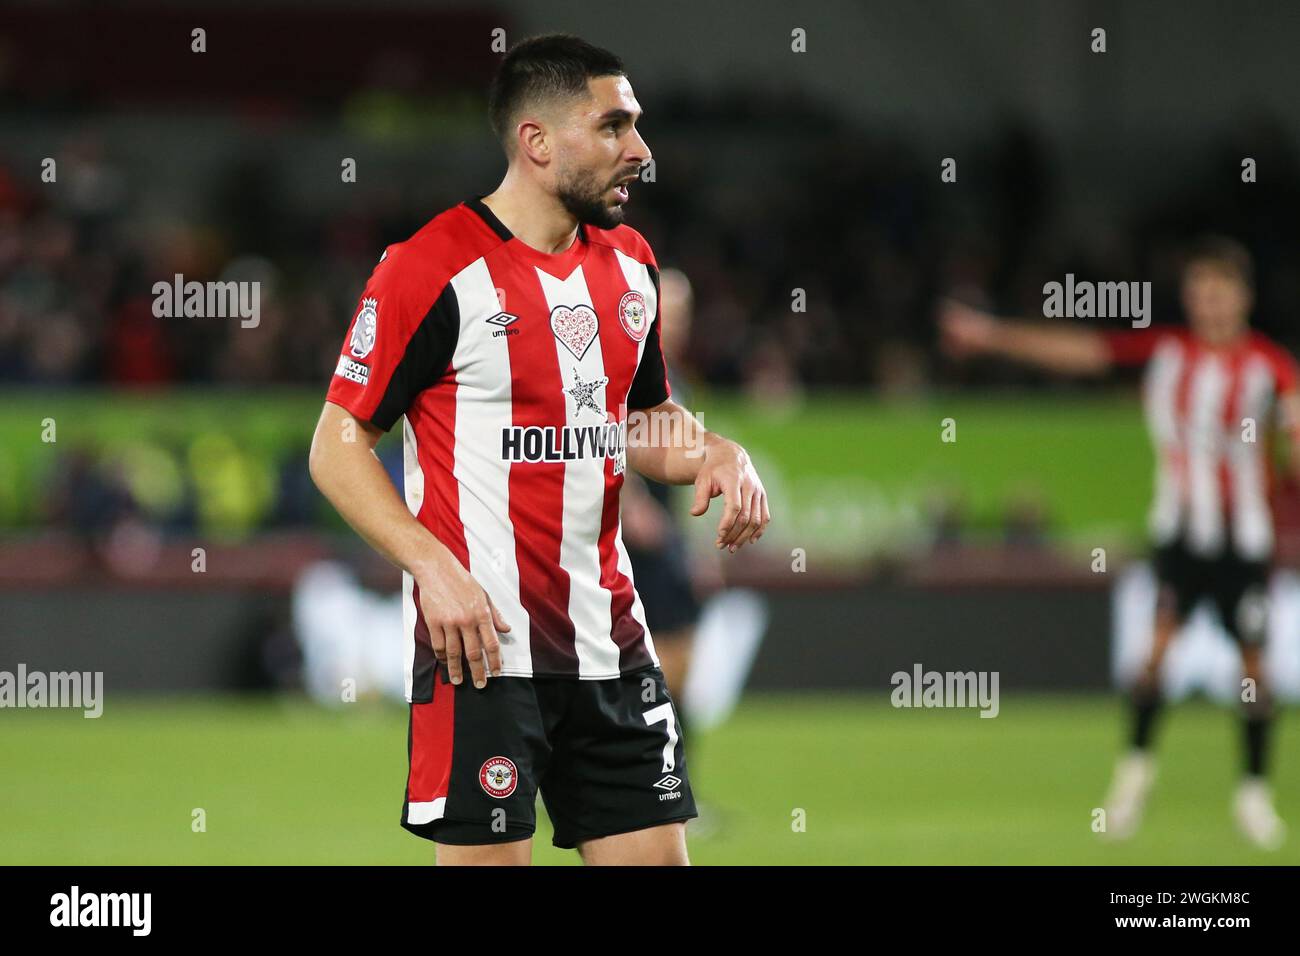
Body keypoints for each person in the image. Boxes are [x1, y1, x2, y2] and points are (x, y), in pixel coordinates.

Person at [308, 33, 770, 866]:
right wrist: (433, 567)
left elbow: (636, 421)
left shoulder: (631, 267)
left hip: (613, 647)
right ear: (537, 141)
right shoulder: (430, 269)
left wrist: (715, 451)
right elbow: (337, 446)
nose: (641, 151)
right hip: (481, 653)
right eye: (615, 127)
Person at [941, 236, 1300, 849]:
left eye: (1221, 291)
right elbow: (1082, 350)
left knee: (1253, 675)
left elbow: (1294, 438)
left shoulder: (1272, 368)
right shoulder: (1165, 353)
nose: (1209, 303)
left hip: (1244, 544)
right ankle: (1132, 782)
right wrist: (994, 336)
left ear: (1243, 297)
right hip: (1179, 540)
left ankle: (1252, 796)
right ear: (1190, 297)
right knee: (1153, 661)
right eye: (1200, 291)